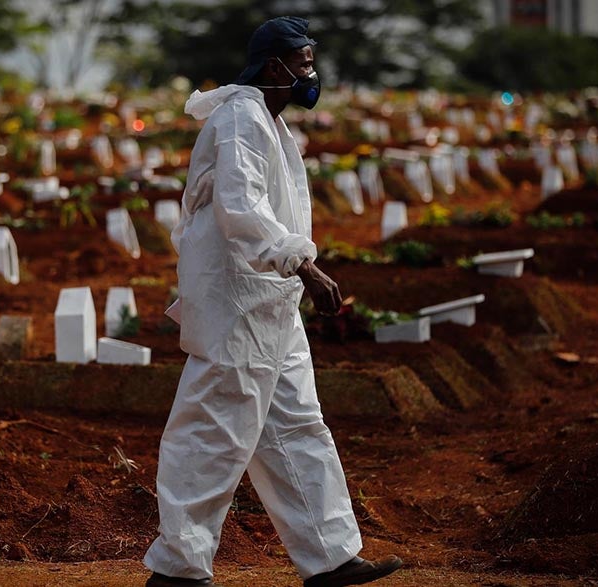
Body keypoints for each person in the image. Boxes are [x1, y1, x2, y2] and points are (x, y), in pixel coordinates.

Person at [144, 16, 403, 587]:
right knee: (214, 430)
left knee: (297, 428)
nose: (312, 73)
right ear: (273, 66)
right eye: (304, 62)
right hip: (239, 305)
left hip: (271, 305)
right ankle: (177, 570)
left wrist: (292, 274)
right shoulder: (240, 119)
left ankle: (331, 558)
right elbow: (241, 207)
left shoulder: (268, 121)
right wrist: (302, 264)